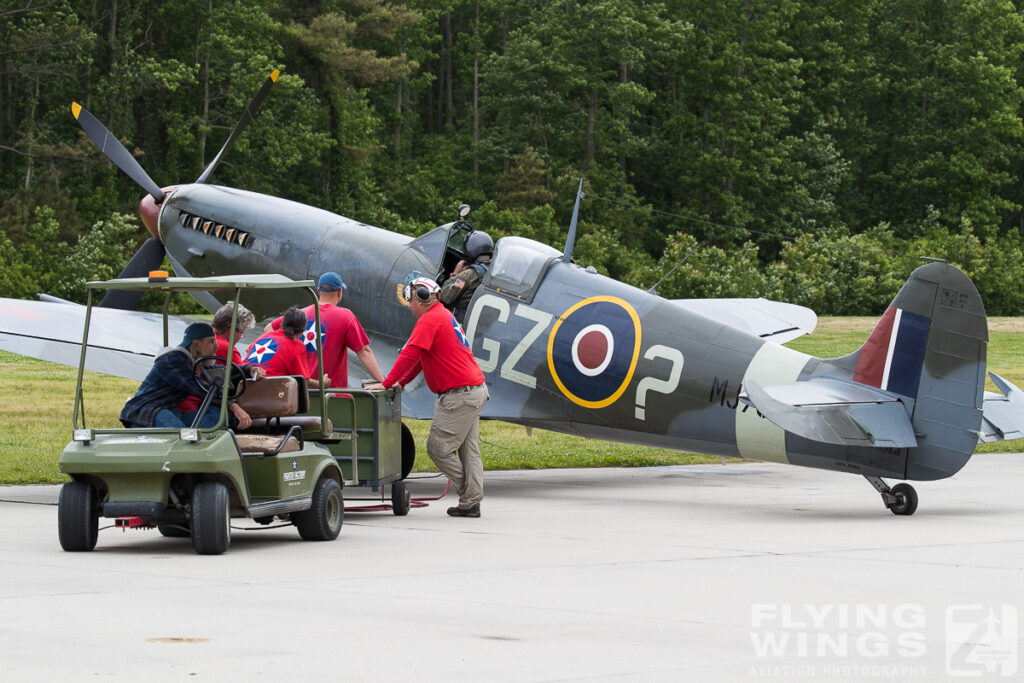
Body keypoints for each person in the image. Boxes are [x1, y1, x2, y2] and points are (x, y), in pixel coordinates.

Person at [366, 276, 488, 518]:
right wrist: (402, 382)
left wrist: (387, 383)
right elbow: (422, 358)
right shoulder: (443, 315)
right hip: (474, 391)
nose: (409, 305)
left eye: (409, 300)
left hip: (459, 395)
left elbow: (410, 354)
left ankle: (470, 495)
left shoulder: (429, 320)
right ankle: (470, 503)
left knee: (438, 448)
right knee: (468, 450)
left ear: (420, 298)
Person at [120, 322, 251, 429]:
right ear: (196, 343)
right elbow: (198, 388)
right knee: (182, 438)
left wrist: (248, 369)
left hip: (170, 410)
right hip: (148, 410)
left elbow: (219, 370)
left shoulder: (193, 359)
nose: (215, 346)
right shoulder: (174, 359)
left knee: (221, 418)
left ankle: (200, 444)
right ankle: (191, 449)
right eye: (211, 341)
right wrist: (233, 405)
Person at [264, 271, 383, 388]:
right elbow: (364, 352)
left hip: (299, 393)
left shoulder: (300, 314)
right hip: (332, 397)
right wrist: (382, 381)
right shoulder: (346, 317)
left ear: (319, 291)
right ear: (340, 292)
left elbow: (269, 329)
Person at [174, 301, 264, 426]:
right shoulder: (224, 347)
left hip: (195, 400)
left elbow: (219, 369)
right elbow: (240, 379)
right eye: (241, 333)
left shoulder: (203, 341)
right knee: (225, 418)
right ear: (230, 329)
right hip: (198, 404)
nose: (240, 337)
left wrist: (248, 368)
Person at [247, 307, 328, 387]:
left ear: (283, 323)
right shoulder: (296, 345)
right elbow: (303, 382)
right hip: (264, 389)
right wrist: (322, 383)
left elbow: (248, 349)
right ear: (303, 329)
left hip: (244, 383)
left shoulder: (265, 335)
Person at [439, 231, 493, 319]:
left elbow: (445, 297)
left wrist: (454, 274)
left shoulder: (468, 274)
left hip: (459, 322)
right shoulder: (492, 270)